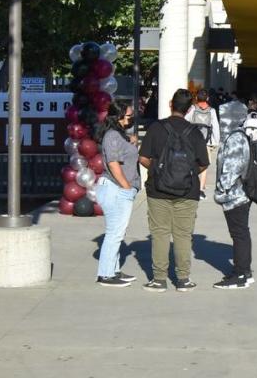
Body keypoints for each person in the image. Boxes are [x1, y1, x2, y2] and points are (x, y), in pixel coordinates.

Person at [138, 88, 210, 292]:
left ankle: (159, 279)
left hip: (157, 190)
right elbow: (203, 163)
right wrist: (187, 173)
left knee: (160, 233)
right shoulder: (195, 132)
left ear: (171, 104)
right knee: (183, 235)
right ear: (189, 110)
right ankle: (183, 279)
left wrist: (158, 171)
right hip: (188, 192)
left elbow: (143, 157)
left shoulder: (156, 128)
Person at [94, 101, 140, 287]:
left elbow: (123, 147)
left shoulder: (117, 135)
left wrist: (131, 140)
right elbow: (113, 163)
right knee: (115, 232)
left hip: (118, 188)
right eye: (129, 116)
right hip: (115, 188)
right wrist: (126, 186)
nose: (131, 119)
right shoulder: (112, 135)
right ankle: (105, 275)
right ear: (118, 116)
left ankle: (113, 269)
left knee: (118, 231)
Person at [213, 99, 256, 289]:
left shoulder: (235, 138)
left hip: (235, 196)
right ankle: (242, 270)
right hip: (237, 194)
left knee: (239, 234)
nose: (221, 120)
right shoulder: (236, 136)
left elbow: (232, 169)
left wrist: (222, 190)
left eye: (223, 116)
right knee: (240, 233)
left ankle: (242, 273)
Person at [185, 89, 220, 200]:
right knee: (204, 165)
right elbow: (215, 128)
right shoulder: (212, 111)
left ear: (196, 98)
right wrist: (215, 142)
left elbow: (185, 121)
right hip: (205, 142)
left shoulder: (193, 109)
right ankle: (200, 190)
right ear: (208, 98)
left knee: (190, 163)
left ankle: (189, 186)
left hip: (191, 142)